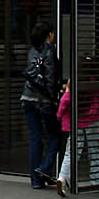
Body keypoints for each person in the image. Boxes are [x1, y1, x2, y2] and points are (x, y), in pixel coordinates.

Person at [21, 19, 63, 189]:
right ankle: (44, 169)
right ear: (49, 35)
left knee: (35, 138)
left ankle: (35, 180)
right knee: (56, 135)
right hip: (44, 101)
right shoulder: (49, 52)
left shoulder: (32, 51)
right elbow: (50, 78)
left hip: (27, 98)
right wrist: (54, 98)